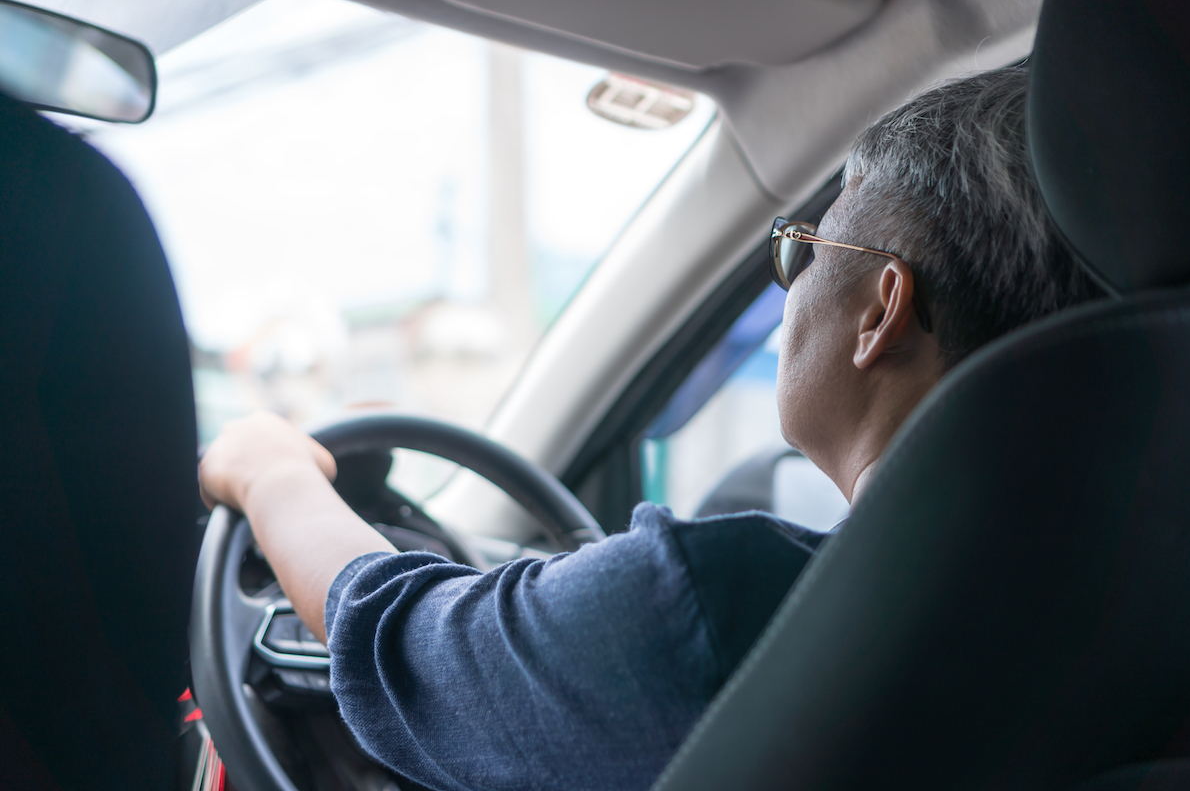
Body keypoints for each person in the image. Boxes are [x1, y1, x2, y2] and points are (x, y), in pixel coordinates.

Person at [198, 65, 1102, 791]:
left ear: (881, 312)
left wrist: (271, 473)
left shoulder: (716, 610)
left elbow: (395, 638)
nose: (787, 293)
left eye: (802, 251)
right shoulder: (1137, 614)